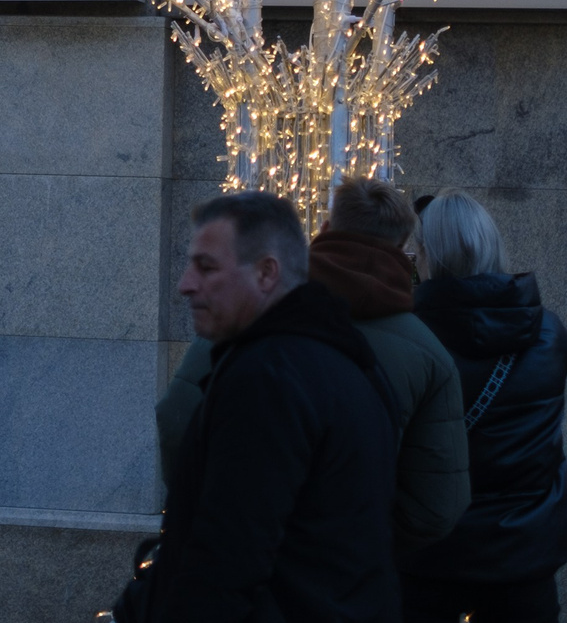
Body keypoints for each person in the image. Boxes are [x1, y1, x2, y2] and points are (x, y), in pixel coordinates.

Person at [117, 190, 399, 623]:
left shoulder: (267, 377)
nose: (185, 285)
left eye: (207, 268)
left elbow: (228, 557)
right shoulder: (344, 363)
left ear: (267, 273)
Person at [156, 177, 469, 555]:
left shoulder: (248, 307)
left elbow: (177, 418)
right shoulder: (430, 355)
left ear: (325, 227)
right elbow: (437, 507)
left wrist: (216, 507)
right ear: (403, 246)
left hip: (239, 552)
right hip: (350, 569)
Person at [401, 190, 567, 623]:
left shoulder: (409, 339)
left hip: (427, 552)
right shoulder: (548, 336)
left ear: (430, 256)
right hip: (520, 549)